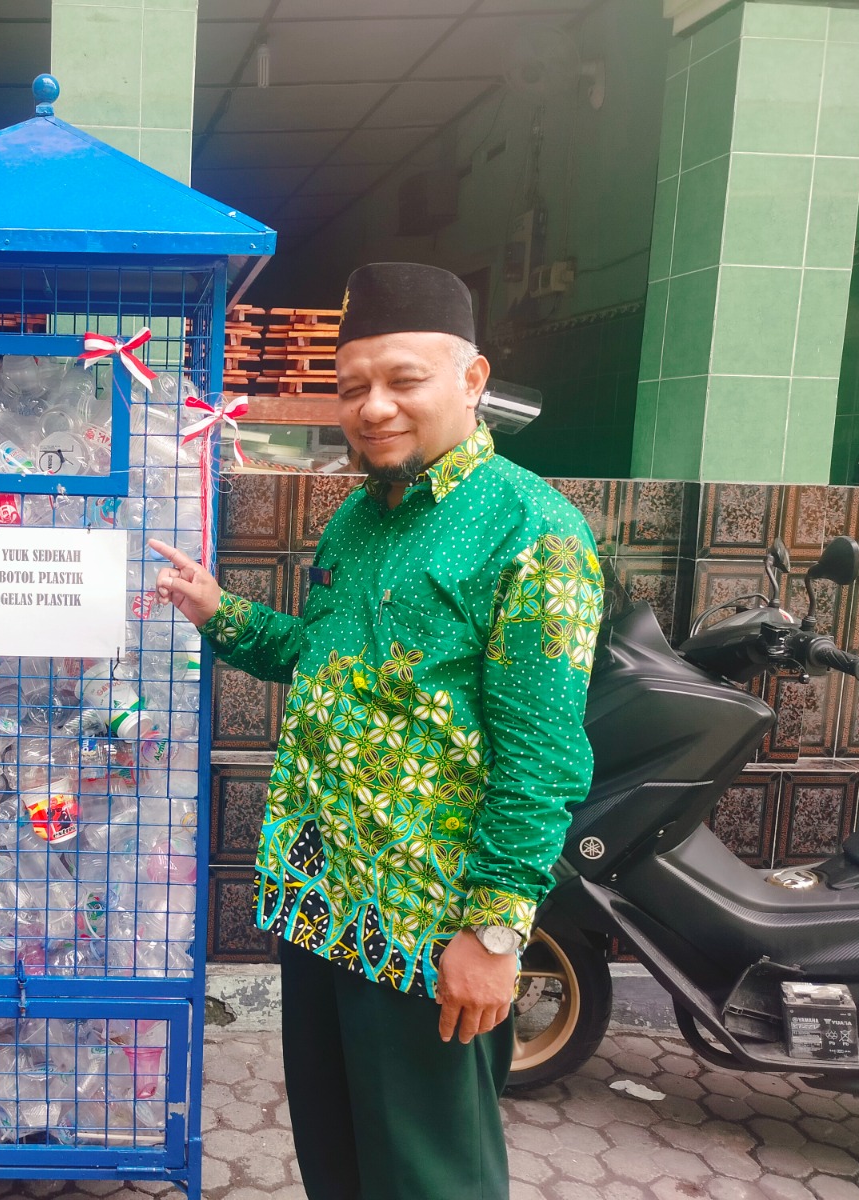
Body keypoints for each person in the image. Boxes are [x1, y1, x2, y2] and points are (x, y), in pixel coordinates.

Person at [150, 262, 603, 1200]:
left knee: (431, 1173)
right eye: (353, 387)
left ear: (472, 381)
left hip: (424, 917)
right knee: (339, 1152)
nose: (374, 408)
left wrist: (494, 931)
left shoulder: (534, 534)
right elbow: (320, 663)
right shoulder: (358, 516)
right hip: (318, 893)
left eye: (404, 380)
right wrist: (218, 613)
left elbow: (543, 759)